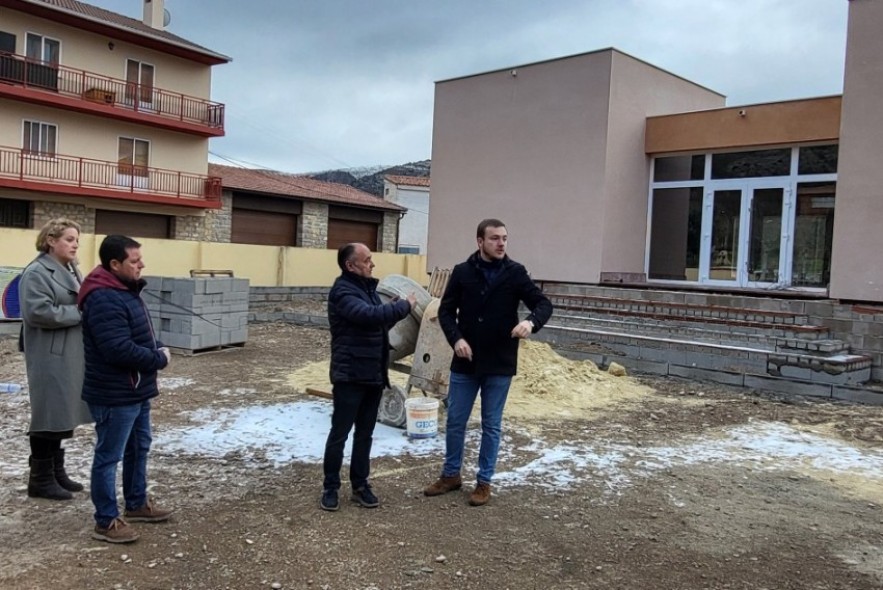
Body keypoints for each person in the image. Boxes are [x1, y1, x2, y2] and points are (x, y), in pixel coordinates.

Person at [424, 218, 553, 506]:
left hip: (499, 361)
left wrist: (531, 323)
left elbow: (543, 304)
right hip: (465, 361)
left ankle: (484, 483)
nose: (501, 243)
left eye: (504, 238)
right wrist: (456, 339)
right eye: (494, 238)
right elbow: (445, 312)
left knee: (491, 424)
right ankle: (451, 475)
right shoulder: (462, 272)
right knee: (455, 421)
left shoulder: (516, 273)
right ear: (480, 242)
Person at [78, 235, 172, 544]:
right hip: (114, 394)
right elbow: (116, 349)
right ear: (114, 264)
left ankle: (136, 503)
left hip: (136, 390)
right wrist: (158, 358)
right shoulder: (104, 297)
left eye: (140, 258)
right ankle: (105, 520)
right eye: (134, 261)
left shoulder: (125, 290)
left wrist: (155, 346)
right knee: (109, 456)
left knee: (138, 447)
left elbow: (138, 334)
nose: (141, 264)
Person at [320, 242, 416, 512]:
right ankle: (330, 488)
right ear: (351, 265)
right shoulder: (342, 292)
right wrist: (404, 307)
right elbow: (366, 316)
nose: (372, 264)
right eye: (367, 260)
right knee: (340, 434)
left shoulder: (368, 290)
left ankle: (360, 486)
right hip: (349, 376)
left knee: (365, 434)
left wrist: (393, 312)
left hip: (373, 374)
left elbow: (378, 322)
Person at [19, 218, 93, 501]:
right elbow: (38, 312)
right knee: (48, 413)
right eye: (69, 239)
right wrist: (80, 313)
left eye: (77, 240)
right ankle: (39, 478)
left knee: (63, 411)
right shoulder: (37, 272)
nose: (75, 245)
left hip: (69, 352)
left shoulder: (70, 269)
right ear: (51, 240)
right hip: (50, 353)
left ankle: (54, 470)